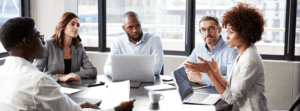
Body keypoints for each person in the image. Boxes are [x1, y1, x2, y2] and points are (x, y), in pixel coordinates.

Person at [0, 17, 134, 111]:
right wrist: (118, 109)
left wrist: (74, 106)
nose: (42, 42)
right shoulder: (38, 80)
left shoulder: (2, 72)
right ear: (26, 42)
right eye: (38, 37)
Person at [184, 3, 268, 110]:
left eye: (231, 32)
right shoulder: (243, 54)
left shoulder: (250, 60)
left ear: (245, 33)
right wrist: (215, 72)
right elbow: (230, 85)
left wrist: (210, 73)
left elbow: (231, 98)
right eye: (227, 31)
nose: (226, 36)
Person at [33, 12, 97, 83]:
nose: (76, 28)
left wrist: (70, 76)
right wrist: (59, 78)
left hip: (74, 88)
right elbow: (36, 73)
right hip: (52, 88)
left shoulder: (79, 47)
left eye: (78, 25)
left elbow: (92, 71)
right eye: (72, 24)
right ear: (63, 25)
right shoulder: (48, 44)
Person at [178, 15, 238, 85]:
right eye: (203, 30)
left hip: (220, 94)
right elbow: (180, 70)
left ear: (219, 30)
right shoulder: (199, 48)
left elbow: (231, 81)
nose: (207, 33)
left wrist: (201, 78)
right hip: (200, 91)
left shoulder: (232, 51)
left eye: (211, 28)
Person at [104, 11, 164, 77]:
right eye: (130, 27)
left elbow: (157, 69)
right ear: (124, 28)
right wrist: (121, 73)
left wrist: (124, 72)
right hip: (124, 81)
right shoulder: (118, 42)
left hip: (148, 82)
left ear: (140, 24)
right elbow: (107, 67)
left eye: (137, 25)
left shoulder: (154, 39)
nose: (135, 30)